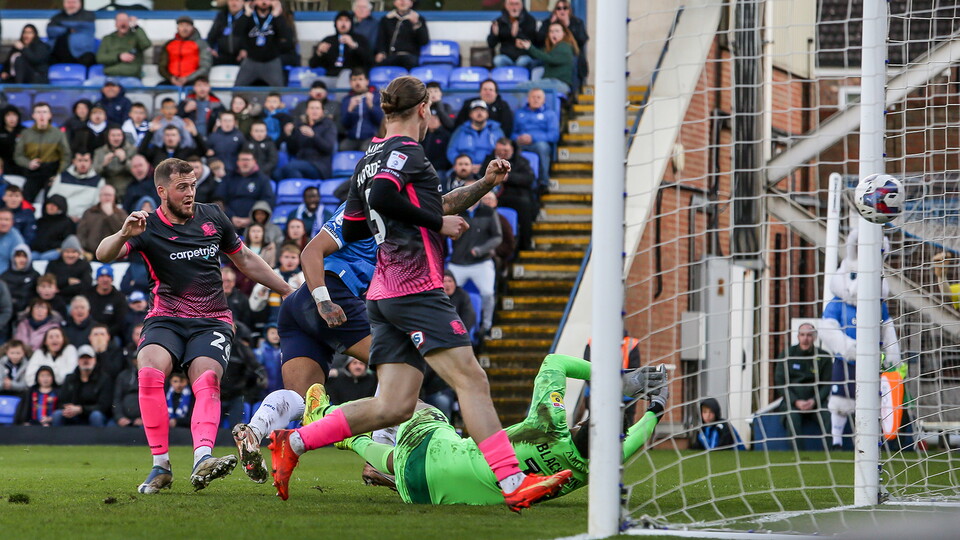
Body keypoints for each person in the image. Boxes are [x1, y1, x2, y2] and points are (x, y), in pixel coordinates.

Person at [266, 76, 571, 511]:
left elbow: (359, 223)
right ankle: (512, 481)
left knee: (392, 404)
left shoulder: (368, 159)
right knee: (472, 379)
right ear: (423, 108)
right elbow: (398, 200)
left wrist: (484, 184)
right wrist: (434, 223)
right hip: (415, 288)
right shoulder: (407, 152)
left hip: (381, 295)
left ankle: (293, 442)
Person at [96, 157, 295, 494]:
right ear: (162, 191)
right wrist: (122, 233)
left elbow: (244, 258)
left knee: (206, 378)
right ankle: (160, 465)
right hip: (166, 318)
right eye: (182, 187)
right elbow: (103, 255)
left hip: (212, 321)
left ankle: (203, 457)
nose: (190, 193)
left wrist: (288, 290)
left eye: (193, 186)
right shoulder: (146, 226)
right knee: (148, 372)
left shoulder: (213, 216)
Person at [303, 356, 666, 504]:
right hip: (424, 495)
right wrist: (657, 410)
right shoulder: (593, 470)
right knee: (405, 458)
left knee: (406, 406)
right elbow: (632, 443)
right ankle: (353, 442)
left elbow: (553, 361)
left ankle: (324, 414)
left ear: (582, 423)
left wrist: (617, 382)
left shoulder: (550, 424)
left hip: (431, 455)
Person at [819, 230, 901, 449]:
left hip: (873, 360)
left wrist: (893, 356)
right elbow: (827, 329)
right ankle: (836, 440)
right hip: (846, 360)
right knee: (840, 400)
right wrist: (848, 347)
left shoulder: (879, 306)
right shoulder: (837, 304)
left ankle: (868, 440)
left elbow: (887, 329)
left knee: (872, 400)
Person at [447, 184, 502, 335]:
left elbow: (497, 237)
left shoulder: (488, 211)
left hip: (481, 262)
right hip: (457, 262)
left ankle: (487, 326)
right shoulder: (455, 211)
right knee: (443, 294)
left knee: (488, 293)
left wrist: (480, 250)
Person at [774, 322, 833, 448]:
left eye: (809, 335)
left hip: (816, 402)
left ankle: (832, 451)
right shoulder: (787, 355)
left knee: (828, 416)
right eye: (802, 335)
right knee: (792, 417)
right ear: (798, 336)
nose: (805, 338)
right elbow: (780, 383)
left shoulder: (824, 357)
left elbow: (827, 384)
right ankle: (798, 454)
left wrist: (814, 401)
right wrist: (795, 401)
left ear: (815, 337)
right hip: (792, 402)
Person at [482, 138, 537, 251]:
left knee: (525, 204)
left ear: (512, 150)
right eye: (499, 151)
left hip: (515, 196)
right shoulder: (489, 161)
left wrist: (508, 177)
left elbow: (529, 179)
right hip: (492, 195)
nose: (502, 154)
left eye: (505, 151)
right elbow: (480, 177)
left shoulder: (521, 161)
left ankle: (525, 243)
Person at [14, 103, 71, 204]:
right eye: (38, 112)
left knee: (51, 201)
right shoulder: (26, 133)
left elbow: (66, 156)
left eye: (44, 112)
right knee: (25, 200)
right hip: (32, 172)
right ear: (33, 115)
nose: (41, 115)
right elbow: (18, 155)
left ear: (50, 115)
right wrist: (28, 163)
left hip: (51, 171)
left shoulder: (58, 133)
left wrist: (59, 174)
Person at [234, 0, 295, 87]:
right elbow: (236, 32)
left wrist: (277, 15)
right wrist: (246, 14)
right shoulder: (249, 16)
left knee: (278, 91)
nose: (263, 1)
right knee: (238, 90)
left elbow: (287, 38)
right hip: (251, 60)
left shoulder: (277, 17)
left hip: (271, 61)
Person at [276, 99, 337, 180]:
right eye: (312, 108)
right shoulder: (301, 125)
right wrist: (289, 135)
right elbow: (293, 150)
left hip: (319, 166)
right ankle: (304, 189)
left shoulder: (328, 125)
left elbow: (328, 148)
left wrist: (314, 136)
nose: (314, 111)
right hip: (301, 162)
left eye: (317, 108)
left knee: (290, 168)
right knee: (277, 174)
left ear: (322, 111)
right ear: (307, 111)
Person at [52, 345, 111, 426]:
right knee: (57, 414)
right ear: (78, 361)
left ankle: (99, 439)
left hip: (93, 415)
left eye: (89, 358)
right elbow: (61, 401)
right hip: (73, 415)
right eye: (83, 358)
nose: (86, 361)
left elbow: (104, 406)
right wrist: (68, 408)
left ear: (95, 360)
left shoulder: (104, 379)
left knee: (96, 416)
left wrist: (81, 409)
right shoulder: (70, 378)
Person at [311, 11, 372, 85]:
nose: (343, 23)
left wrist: (354, 45)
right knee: (308, 81)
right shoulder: (328, 40)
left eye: (346, 20)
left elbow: (369, 60)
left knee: (345, 73)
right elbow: (312, 64)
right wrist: (319, 52)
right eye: (340, 20)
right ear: (335, 23)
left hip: (351, 79)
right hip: (331, 77)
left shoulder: (360, 39)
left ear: (351, 23)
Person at [513, 88, 559, 187]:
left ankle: (543, 182)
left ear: (544, 100)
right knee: (508, 147)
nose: (536, 100)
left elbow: (554, 135)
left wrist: (532, 138)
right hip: (520, 143)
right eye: (533, 97)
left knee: (542, 147)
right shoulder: (519, 113)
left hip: (538, 143)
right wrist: (518, 138)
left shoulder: (550, 114)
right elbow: (512, 133)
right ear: (528, 99)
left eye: (539, 97)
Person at [217, 151, 275, 228]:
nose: (245, 163)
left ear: (254, 161)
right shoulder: (228, 178)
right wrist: (230, 217)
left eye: (248, 160)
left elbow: (268, 201)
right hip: (228, 222)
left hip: (255, 224)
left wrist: (251, 218)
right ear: (238, 162)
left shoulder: (263, 179)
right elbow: (218, 200)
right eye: (242, 160)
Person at [517, 23, 578, 95]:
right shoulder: (552, 48)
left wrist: (530, 48)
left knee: (521, 86)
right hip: (551, 83)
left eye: (557, 31)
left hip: (559, 84)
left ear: (564, 34)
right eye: (551, 31)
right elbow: (539, 54)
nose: (553, 34)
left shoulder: (564, 46)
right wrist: (525, 46)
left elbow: (550, 59)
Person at [535, 0, 589, 82]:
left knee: (575, 62)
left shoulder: (577, 22)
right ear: (555, 11)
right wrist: (550, 25)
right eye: (559, 8)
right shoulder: (548, 22)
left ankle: (573, 90)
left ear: (569, 10)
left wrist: (567, 25)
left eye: (565, 8)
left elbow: (582, 40)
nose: (562, 11)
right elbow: (538, 39)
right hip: (550, 53)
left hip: (572, 55)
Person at [47, 153, 104, 222]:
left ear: (91, 162)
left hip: (85, 220)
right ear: (74, 161)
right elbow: (52, 198)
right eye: (80, 160)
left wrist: (82, 217)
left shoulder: (99, 181)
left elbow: (97, 204)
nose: (83, 164)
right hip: (61, 219)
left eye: (86, 161)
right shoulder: (62, 177)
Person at [447, 100, 505, 168]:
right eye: (476, 110)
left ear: (487, 114)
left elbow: (503, 150)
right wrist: (464, 165)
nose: (479, 113)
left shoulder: (496, 130)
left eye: (482, 110)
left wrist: (485, 167)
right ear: (470, 114)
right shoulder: (460, 131)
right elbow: (451, 151)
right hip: (465, 169)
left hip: (491, 168)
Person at [97, 13, 151, 85]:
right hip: (110, 78)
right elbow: (100, 58)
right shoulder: (107, 38)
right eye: (120, 20)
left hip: (131, 77)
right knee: (89, 84)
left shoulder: (136, 37)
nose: (123, 23)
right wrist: (119, 56)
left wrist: (136, 27)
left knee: (138, 90)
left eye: (126, 20)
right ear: (115, 24)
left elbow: (146, 44)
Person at [158, 16, 213, 87]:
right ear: (177, 28)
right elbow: (162, 66)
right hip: (171, 81)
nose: (184, 29)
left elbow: (205, 66)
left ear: (192, 28)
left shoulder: (201, 44)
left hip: (194, 82)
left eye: (187, 26)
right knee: (158, 88)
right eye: (181, 25)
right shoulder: (169, 44)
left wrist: (187, 78)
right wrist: (171, 78)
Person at [375, 0, 429, 70]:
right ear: (394, 3)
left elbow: (424, 41)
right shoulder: (387, 19)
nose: (402, 2)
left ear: (411, 3)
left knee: (408, 62)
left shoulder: (418, 18)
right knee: (377, 64)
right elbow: (381, 39)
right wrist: (381, 52)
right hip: (392, 56)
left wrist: (416, 24)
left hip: (410, 56)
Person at [341, 69, 384, 152]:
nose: (357, 83)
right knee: (343, 147)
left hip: (371, 138)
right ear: (350, 83)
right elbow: (344, 124)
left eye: (360, 79)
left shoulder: (376, 97)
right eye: (354, 80)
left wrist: (371, 106)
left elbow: (381, 120)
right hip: (351, 138)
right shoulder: (347, 100)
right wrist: (350, 109)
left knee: (366, 150)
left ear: (367, 81)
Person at [487, 0, 537, 69]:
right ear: (505, 5)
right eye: (511, 4)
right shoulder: (499, 21)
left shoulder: (530, 20)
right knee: (498, 60)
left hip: (523, 55)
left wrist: (517, 33)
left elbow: (532, 40)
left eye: (516, 4)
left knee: (522, 61)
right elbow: (491, 44)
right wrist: (495, 35)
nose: (514, 7)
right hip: (506, 56)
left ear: (522, 5)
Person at [47, 0, 96, 67]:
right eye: (68, 2)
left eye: (74, 2)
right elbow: (50, 30)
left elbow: (84, 26)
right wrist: (68, 29)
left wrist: (61, 25)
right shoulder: (57, 16)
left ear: (80, 3)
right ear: (64, 4)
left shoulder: (88, 15)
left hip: (81, 54)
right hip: (59, 53)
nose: (71, 5)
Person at [87, 265, 129, 341]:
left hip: (111, 335)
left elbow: (121, 322)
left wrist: (106, 333)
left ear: (112, 279)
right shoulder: (88, 294)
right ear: (97, 278)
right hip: (90, 332)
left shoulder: (119, 297)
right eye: (102, 276)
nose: (105, 279)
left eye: (108, 276)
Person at [46, 235, 91, 302]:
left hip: (77, 300)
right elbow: (47, 283)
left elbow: (86, 285)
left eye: (73, 252)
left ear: (79, 253)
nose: (70, 255)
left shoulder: (84, 265)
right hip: (56, 300)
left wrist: (60, 288)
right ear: (62, 253)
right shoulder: (53, 264)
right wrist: (67, 281)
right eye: (67, 252)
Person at [31, 196, 75, 262]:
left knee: (45, 257)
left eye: (54, 205)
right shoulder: (41, 221)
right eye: (49, 204)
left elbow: (68, 240)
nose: (51, 207)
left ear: (60, 207)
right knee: (28, 257)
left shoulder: (67, 222)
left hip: (56, 251)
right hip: (38, 250)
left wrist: (60, 248)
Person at [207, 0, 247, 66]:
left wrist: (246, 50)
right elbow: (211, 36)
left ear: (243, 2)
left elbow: (252, 38)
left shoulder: (248, 17)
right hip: (221, 56)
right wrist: (210, 48)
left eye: (237, 1)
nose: (234, 3)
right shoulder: (221, 16)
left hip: (242, 57)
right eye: (231, 0)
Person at [2, 244, 39, 315]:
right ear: (13, 258)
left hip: (27, 311)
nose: (22, 259)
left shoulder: (35, 275)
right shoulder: (4, 276)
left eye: (24, 256)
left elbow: (37, 295)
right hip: (7, 310)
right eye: (18, 256)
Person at [442, 271, 475, 337]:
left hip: (459, 334)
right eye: (444, 281)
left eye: (450, 281)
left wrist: (460, 333)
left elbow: (469, 316)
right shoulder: (436, 297)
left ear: (455, 283)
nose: (447, 284)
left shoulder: (462, 295)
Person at [113, 354, 141, 427]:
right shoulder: (123, 376)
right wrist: (119, 417)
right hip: (123, 418)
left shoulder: (151, 376)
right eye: (136, 359)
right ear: (133, 361)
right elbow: (117, 399)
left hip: (145, 420)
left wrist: (145, 419)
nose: (138, 361)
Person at [256, 323, 283, 395]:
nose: (275, 336)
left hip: (280, 389)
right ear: (266, 334)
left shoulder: (283, 351)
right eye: (272, 333)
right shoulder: (260, 352)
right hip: (264, 390)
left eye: (278, 333)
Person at [0, 107, 26, 177]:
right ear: (3, 117)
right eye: (8, 115)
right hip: (5, 168)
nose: (12, 118)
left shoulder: (25, 131)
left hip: (23, 168)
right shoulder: (1, 131)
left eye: (14, 115)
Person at [0, 207, 25, 277]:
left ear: (12, 222)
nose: (3, 223)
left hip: (5, 278)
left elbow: (20, 263)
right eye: (0, 219)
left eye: (6, 220)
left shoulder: (16, 238)